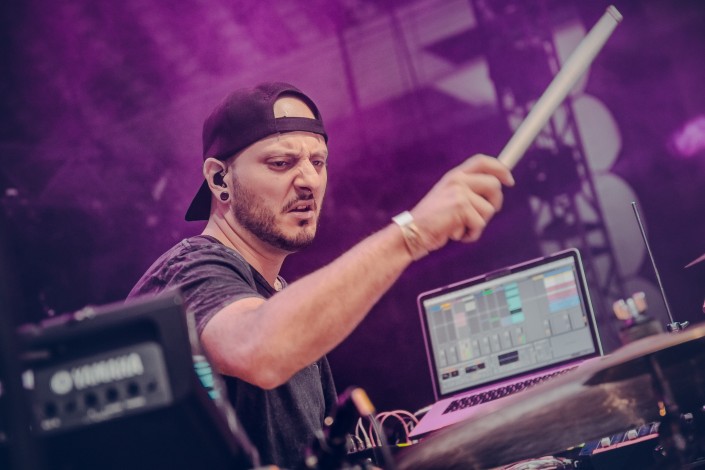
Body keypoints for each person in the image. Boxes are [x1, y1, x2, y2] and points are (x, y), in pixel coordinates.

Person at [128, 82, 514, 468]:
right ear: (219, 179)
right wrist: (414, 232)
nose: (309, 181)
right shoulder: (187, 273)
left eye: (317, 162)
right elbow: (257, 348)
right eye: (281, 163)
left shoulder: (281, 300)